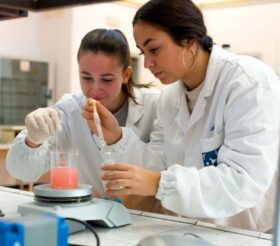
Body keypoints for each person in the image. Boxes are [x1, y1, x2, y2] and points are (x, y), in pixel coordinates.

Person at [82, 0, 280, 232]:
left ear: (188, 39)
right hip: (195, 230)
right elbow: (158, 163)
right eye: (142, 52)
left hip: (253, 235)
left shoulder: (246, 81)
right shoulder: (169, 99)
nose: (147, 64)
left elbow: (243, 180)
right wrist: (116, 137)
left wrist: (159, 183)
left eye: (154, 49)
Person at [6, 28, 163, 213]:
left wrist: (120, 140)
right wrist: (33, 141)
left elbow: (167, 170)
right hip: (92, 218)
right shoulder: (69, 109)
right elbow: (21, 172)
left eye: (106, 79)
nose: (95, 89)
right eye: (86, 77)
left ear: (126, 75)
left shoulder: (156, 105)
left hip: (147, 221)